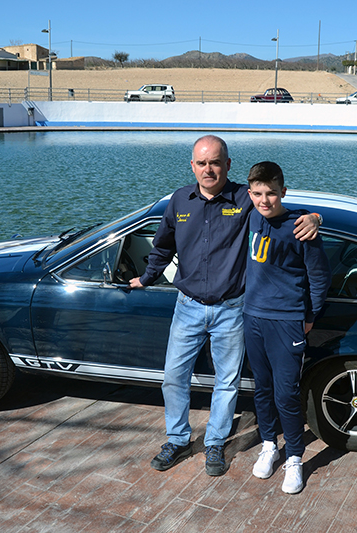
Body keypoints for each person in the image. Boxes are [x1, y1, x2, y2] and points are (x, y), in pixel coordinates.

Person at [129, 135, 320, 476]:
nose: (208, 169)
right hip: (186, 306)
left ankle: (215, 443)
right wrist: (146, 277)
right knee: (173, 377)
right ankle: (177, 438)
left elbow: (278, 209)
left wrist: (314, 218)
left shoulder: (244, 199)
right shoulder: (179, 201)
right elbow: (162, 245)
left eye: (215, 162)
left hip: (232, 309)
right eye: (201, 163)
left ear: (227, 165)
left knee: (226, 381)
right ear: (192, 166)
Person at [243, 161, 330, 494]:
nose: (265, 201)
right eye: (258, 194)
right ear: (251, 193)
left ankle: (294, 457)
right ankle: (269, 445)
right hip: (253, 318)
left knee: (286, 394)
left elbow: (319, 276)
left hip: (287, 321)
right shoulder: (252, 214)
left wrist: (310, 316)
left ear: (283, 192)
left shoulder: (300, 227)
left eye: (271, 194)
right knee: (261, 389)